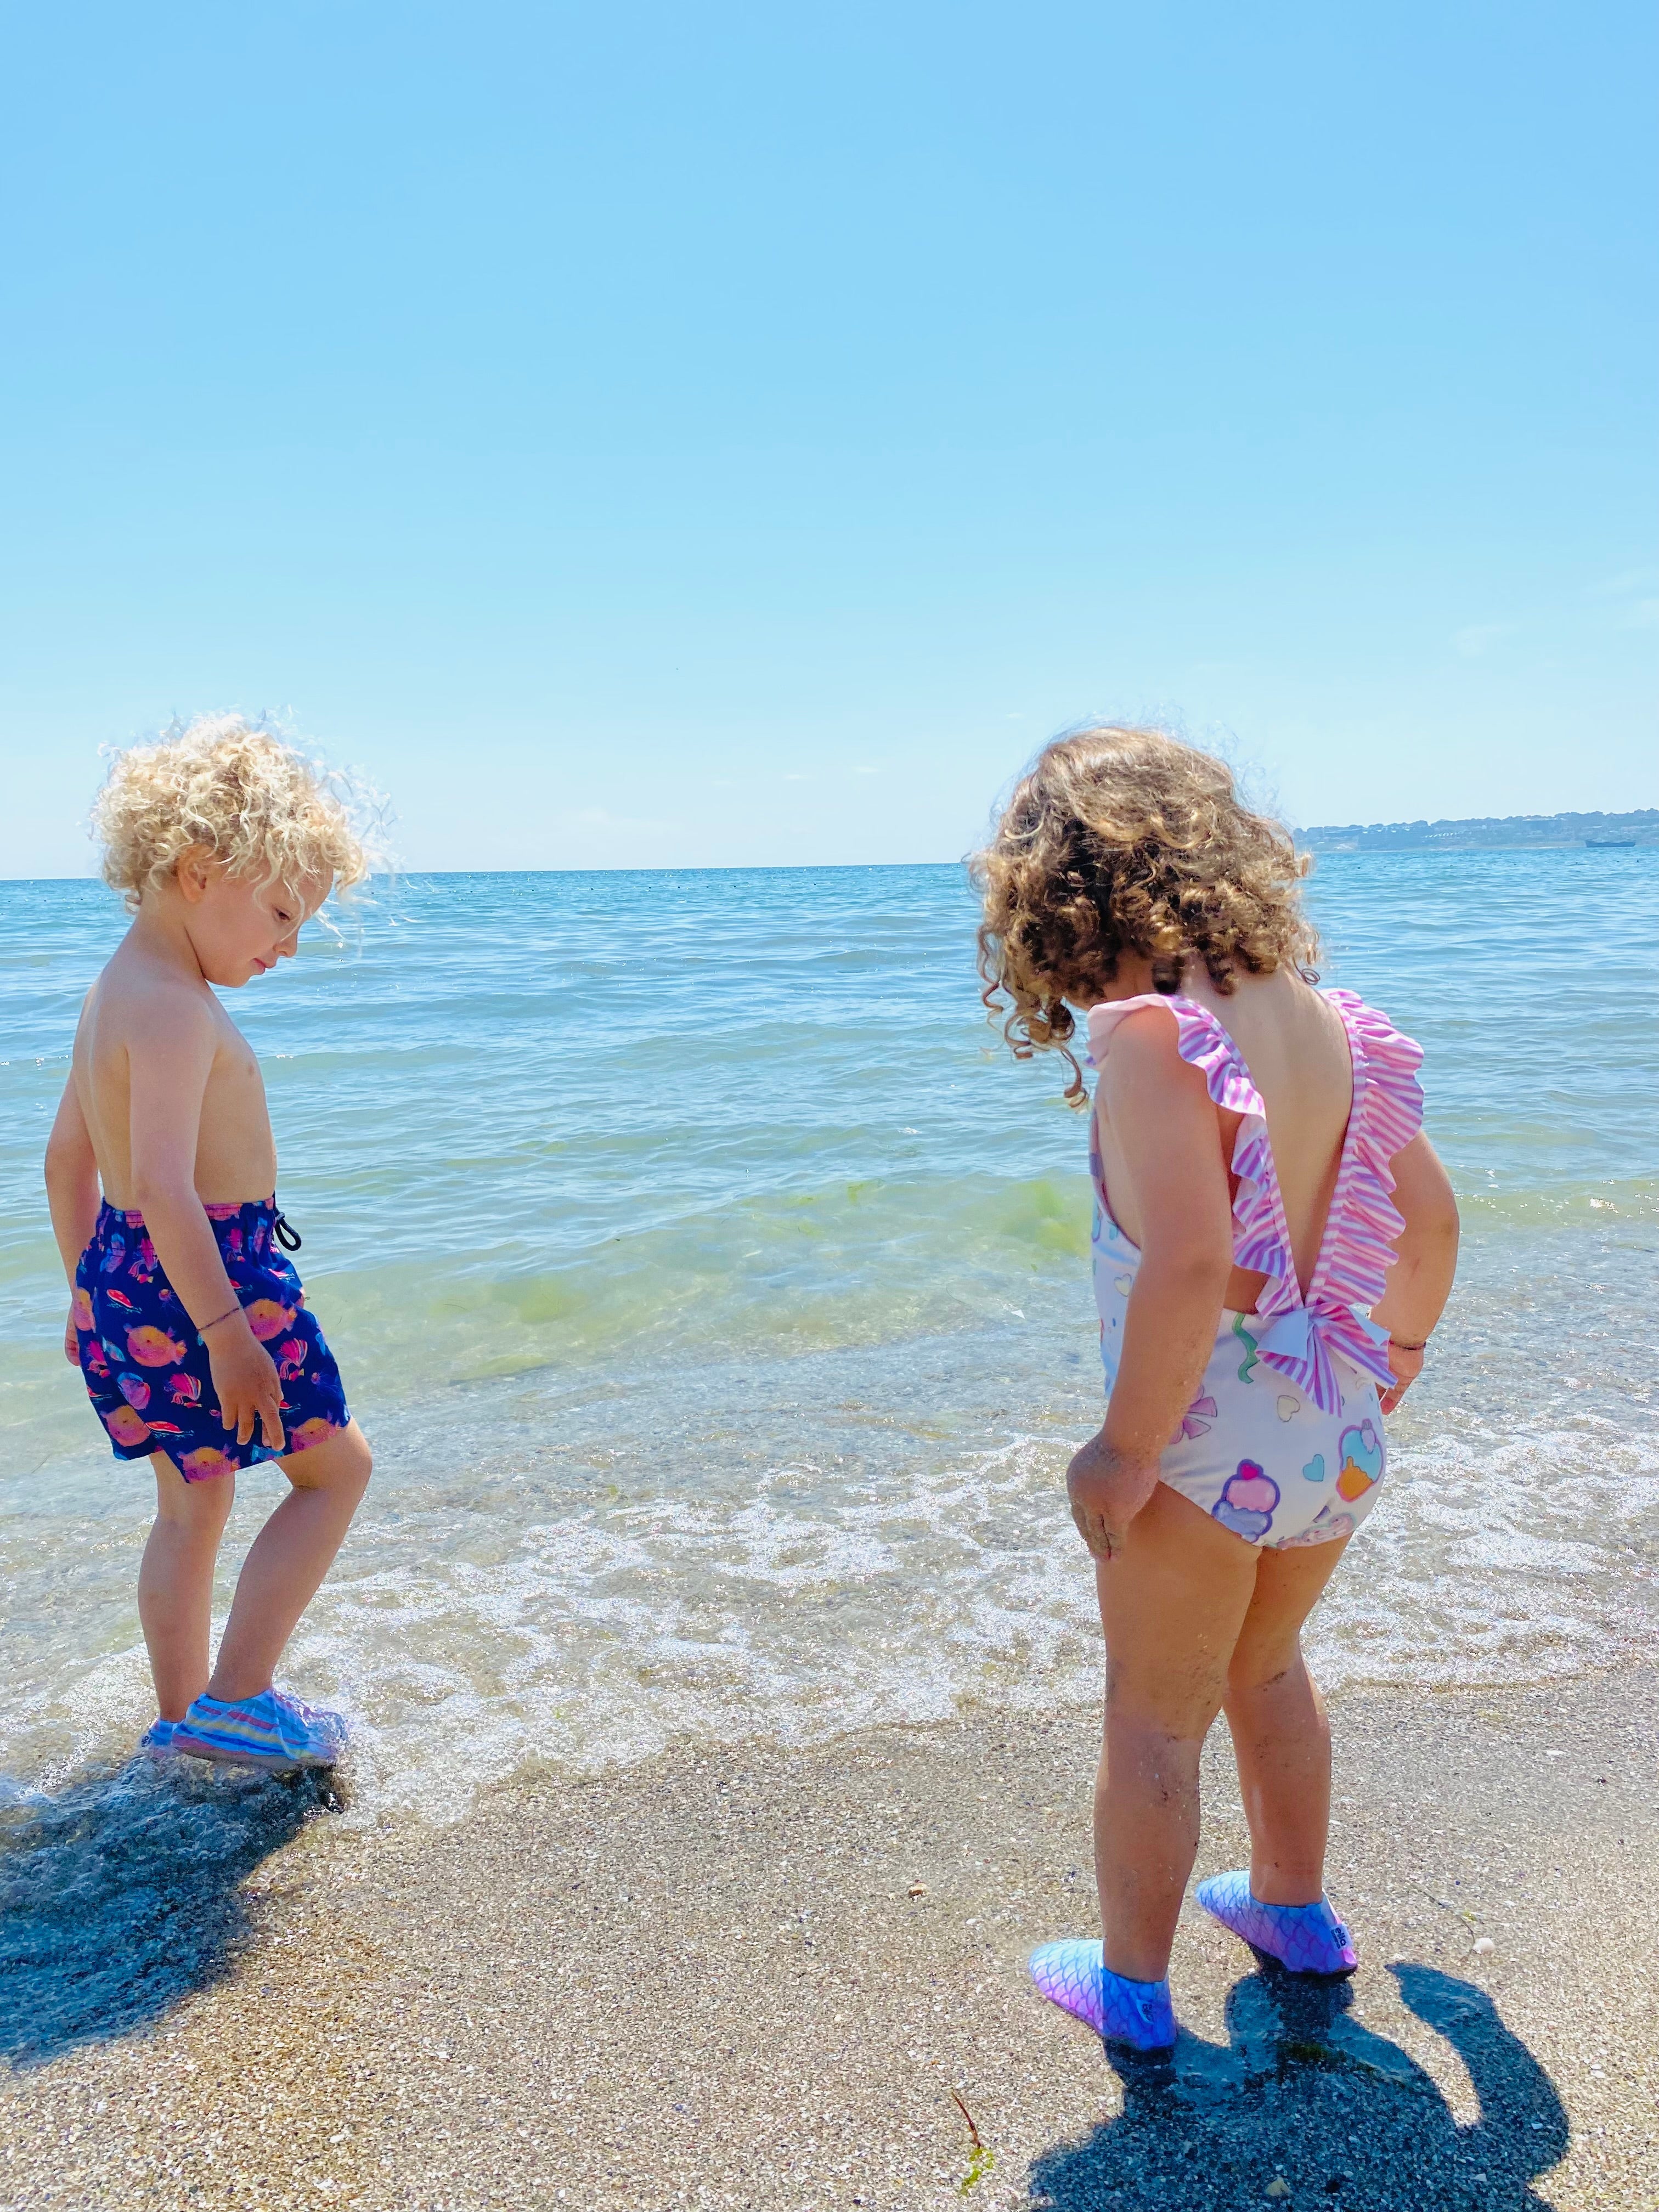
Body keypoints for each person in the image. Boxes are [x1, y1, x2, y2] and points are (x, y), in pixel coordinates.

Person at [973, 726, 1459, 2051]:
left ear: (1057, 894)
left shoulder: (1149, 1039)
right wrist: (1394, 1364)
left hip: (1203, 1439)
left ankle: (1131, 1993)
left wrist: (1123, 1451)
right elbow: (1431, 1226)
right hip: (1334, 1415)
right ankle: (1292, 1911)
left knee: (1151, 1715)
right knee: (1272, 1666)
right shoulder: (1326, 1017)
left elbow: (1189, 1265)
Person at [44, 715, 375, 1773]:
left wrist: (88, 1295)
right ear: (199, 871)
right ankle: (238, 1703)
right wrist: (230, 1335)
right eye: (280, 915)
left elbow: (67, 1165)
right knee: (335, 1477)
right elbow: (168, 1189)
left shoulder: (112, 993)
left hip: (129, 1277)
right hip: (216, 1280)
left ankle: (183, 1721)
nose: (283, 947)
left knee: (193, 1504)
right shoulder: (178, 1010)